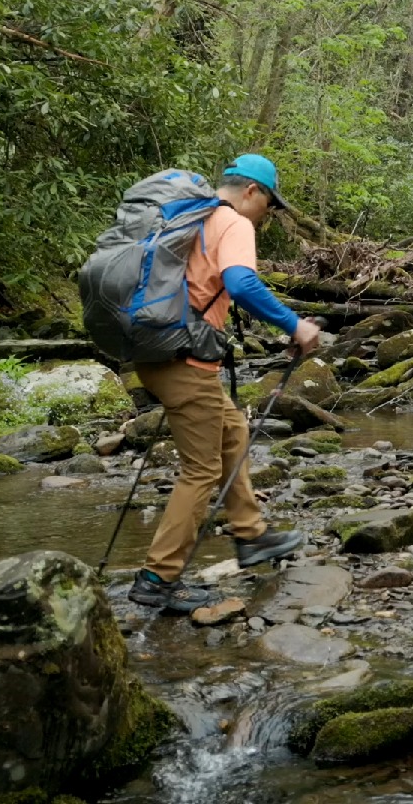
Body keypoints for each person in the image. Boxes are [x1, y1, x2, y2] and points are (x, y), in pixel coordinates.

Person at [128, 153, 323, 613]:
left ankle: (251, 535)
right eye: (270, 205)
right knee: (202, 468)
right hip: (184, 360)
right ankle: (157, 577)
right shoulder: (232, 223)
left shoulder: (185, 218)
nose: (269, 215)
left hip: (154, 351)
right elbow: (241, 284)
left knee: (233, 429)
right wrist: (296, 326)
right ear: (252, 191)